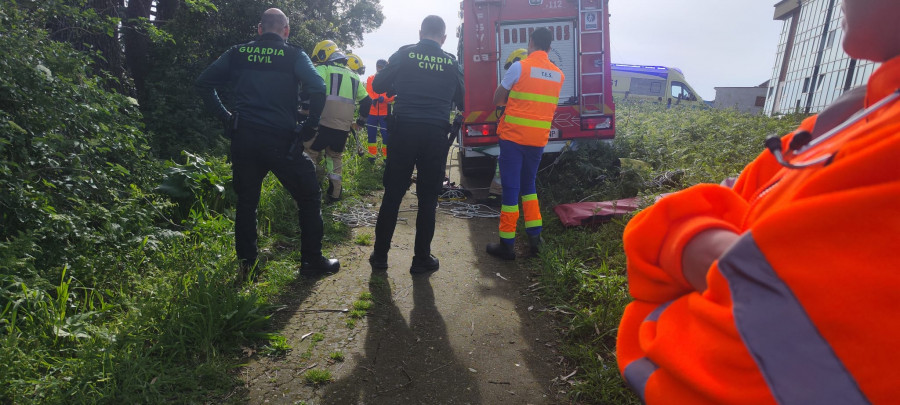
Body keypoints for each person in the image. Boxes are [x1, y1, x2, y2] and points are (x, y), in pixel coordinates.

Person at [616, 1, 900, 403]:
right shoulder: (851, 115)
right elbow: (740, 194)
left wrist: (682, 235)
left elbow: (719, 360)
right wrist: (725, 257)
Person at [195, 8, 339, 281]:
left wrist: (226, 117)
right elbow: (318, 88)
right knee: (309, 196)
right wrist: (310, 126)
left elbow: (203, 83)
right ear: (286, 31)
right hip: (281, 141)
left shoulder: (238, 52)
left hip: (244, 139)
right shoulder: (294, 55)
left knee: (246, 203)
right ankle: (311, 261)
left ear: (260, 29)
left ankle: (248, 267)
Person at [368, 15, 464, 274]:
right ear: (443, 38)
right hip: (434, 135)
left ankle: (379, 257)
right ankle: (421, 259)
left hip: (403, 131)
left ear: (420, 32)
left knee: (393, 194)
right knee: (428, 198)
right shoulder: (451, 63)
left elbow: (378, 85)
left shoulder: (404, 54)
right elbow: (464, 99)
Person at [485, 29, 563, 260]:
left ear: (530, 43)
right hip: (537, 140)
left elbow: (497, 99)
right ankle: (535, 240)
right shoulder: (558, 74)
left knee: (510, 188)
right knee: (529, 186)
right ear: (549, 47)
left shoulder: (520, 67)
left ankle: (507, 245)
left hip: (513, 138)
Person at [304, 40, 371, 203]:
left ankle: (309, 193)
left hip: (322, 125)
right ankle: (334, 195)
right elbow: (367, 101)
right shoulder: (354, 76)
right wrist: (360, 122)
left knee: (310, 155)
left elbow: (310, 89)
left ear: (324, 54)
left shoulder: (323, 69)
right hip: (343, 129)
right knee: (335, 159)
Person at [365, 59, 395, 162]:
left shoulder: (391, 80)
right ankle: (371, 156)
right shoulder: (370, 78)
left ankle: (386, 158)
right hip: (371, 112)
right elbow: (369, 91)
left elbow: (392, 96)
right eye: (378, 66)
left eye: (382, 67)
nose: (379, 69)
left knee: (386, 136)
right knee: (371, 135)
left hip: (385, 113)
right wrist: (374, 98)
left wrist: (384, 98)